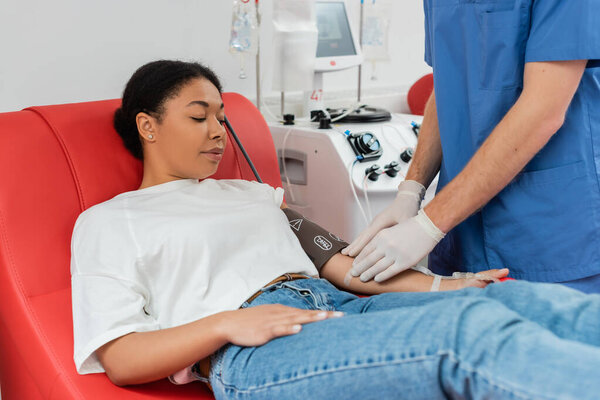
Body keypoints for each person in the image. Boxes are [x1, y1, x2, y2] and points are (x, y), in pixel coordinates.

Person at [71, 60, 600, 400]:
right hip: (253, 348)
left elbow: (343, 266)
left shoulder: (254, 196)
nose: (218, 132)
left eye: (223, 117)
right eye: (198, 116)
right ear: (148, 125)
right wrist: (225, 325)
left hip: (337, 304)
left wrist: (449, 285)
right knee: (466, 338)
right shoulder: (110, 222)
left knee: (521, 304)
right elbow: (121, 358)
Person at [343, 0, 600, 293]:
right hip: (460, 232)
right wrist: (412, 188)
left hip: (548, 230)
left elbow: (543, 111)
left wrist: (428, 225)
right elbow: (448, 84)